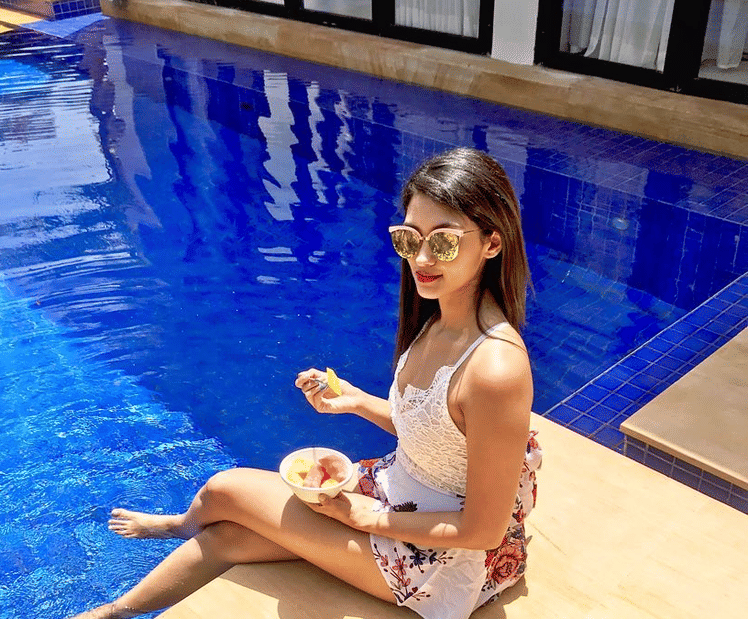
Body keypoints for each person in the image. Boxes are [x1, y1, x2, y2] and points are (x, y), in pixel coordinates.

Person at [70, 147, 542, 619]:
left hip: (439, 559)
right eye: (408, 238)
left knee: (224, 490)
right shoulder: (440, 318)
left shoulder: (495, 369)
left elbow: (484, 530)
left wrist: (367, 517)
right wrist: (357, 402)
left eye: (443, 242)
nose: (420, 257)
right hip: (398, 495)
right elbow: (441, 439)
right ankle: (112, 613)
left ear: (492, 244)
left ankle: (179, 526)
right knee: (230, 536)